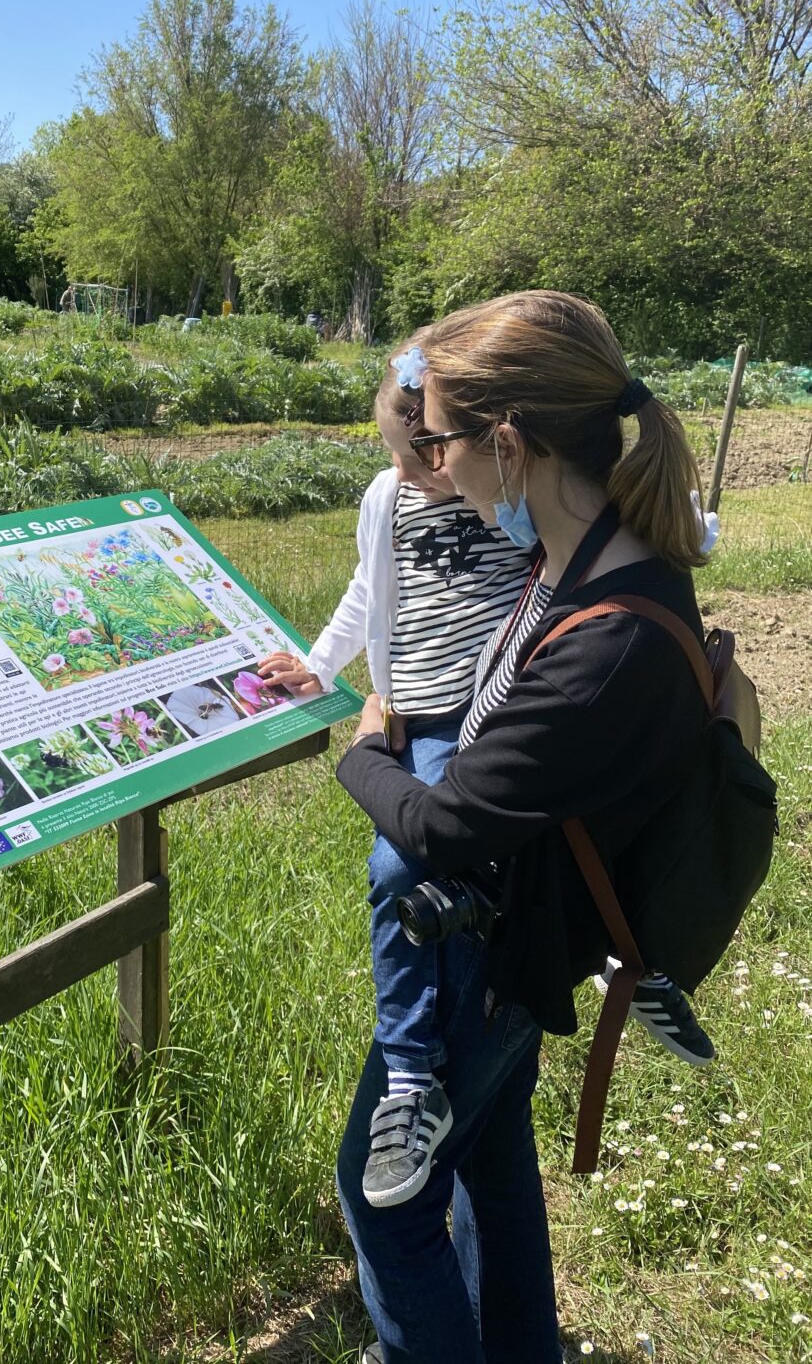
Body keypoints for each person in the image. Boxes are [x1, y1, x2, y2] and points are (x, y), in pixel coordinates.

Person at [329, 290, 717, 1363]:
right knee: (491, 1158)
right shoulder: (585, 549)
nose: (433, 461)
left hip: (490, 953)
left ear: (507, 442)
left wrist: (364, 749)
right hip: (526, 930)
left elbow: (447, 822)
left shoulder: (605, 639)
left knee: (386, 1200)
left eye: (444, 437)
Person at [259, 346, 534, 1208]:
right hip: (415, 720)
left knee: (395, 870)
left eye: (419, 454)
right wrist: (318, 666)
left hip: (479, 717)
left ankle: (410, 1073)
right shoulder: (389, 498)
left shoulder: (511, 502)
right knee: (403, 868)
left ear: (464, 439)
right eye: (391, 452)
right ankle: (416, 1071)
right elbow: (362, 594)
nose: (406, 471)